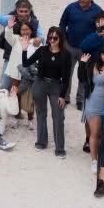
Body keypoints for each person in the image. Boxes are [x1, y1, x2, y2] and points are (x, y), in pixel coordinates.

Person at [25, 26, 72, 157]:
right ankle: (41, 141)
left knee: (58, 116)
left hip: (56, 85)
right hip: (40, 83)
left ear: (60, 39)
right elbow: (26, 62)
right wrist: (24, 49)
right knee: (40, 113)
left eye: (55, 38)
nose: (52, 40)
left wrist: (63, 95)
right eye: (50, 37)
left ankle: (60, 147)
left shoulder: (66, 55)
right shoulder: (42, 50)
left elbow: (67, 78)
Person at [59, 0, 104, 104]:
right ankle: (66, 97)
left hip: (87, 50)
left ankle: (80, 99)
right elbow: (62, 24)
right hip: (70, 47)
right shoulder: (70, 8)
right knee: (67, 73)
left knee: (84, 75)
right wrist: (64, 41)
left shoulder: (98, 11)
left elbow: (101, 30)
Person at [79, 46, 104, 170]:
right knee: (95, 133)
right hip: (94, 103)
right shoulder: (95, 66)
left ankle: (103, 157)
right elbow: (82, 78)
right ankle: (94, 160)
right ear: (100, 55)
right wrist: (82, 64)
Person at [0, 0, 42, 88]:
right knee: (4, 86)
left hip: (28, 63)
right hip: (10, 58)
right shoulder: (12, 21)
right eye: (21, 11)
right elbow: (3, 22)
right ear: (17, 10)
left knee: (23, 89)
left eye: (26, 11)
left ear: (30, 10)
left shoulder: (35, 23)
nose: (23, 14)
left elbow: (41, 39)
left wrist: (39, 40)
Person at [3, 18, 40, 126]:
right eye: (23, 29)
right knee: (16, 94)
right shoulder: (16, 39)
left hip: (30, 75)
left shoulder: (36, 42)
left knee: (30, 96)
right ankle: (17, 115)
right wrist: (9, 27)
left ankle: (30, 119)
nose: (25, 31)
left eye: (27, 29)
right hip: (16, 73)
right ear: (20, 31)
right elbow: (8, 36)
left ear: (31, 30)